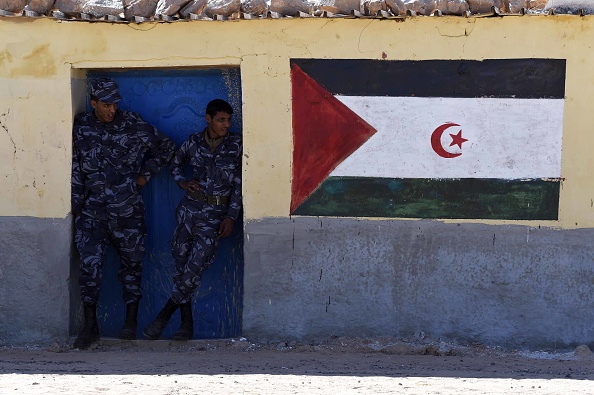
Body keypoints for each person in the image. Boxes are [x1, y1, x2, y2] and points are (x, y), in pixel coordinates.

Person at [71, 78, 175, 349]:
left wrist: (142, 178)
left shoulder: (133, 124)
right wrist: (76, 203)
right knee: (89, 269)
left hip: (127, 210)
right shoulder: (81, 127)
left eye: (115, 104)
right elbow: (75, 167)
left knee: (132, 266)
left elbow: (166, 147)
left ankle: (130, 324)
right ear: (93, 103)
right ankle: (90, 327)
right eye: (106, 105)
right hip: (92, 213)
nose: (112, 110)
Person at [143, 99, 242, 341]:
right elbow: (175, 163)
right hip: (188, 211)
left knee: (194, 268)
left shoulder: (237, 145)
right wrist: (182, 182)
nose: (226, 125)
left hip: (215, 217)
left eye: (228, 120)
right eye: (221, 120)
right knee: (181, 266)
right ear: (208, 119)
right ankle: (186, 326)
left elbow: (240, 184)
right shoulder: (194, 142)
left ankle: (164, 316)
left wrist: (231, 216)